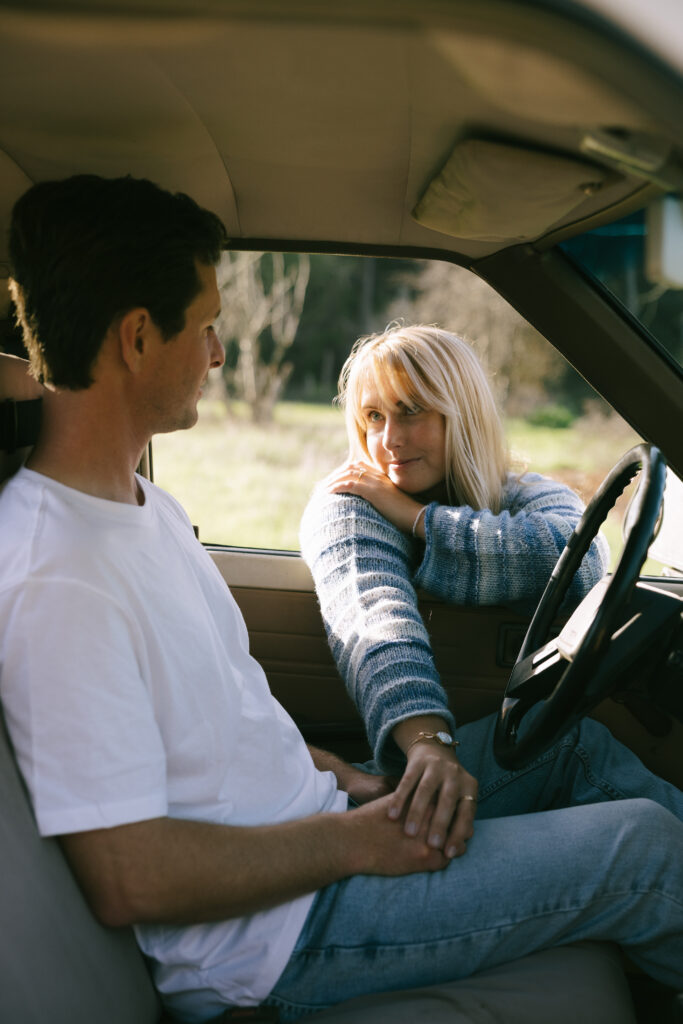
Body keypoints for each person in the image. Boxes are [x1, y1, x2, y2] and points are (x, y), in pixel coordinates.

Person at [0, 177, 681, 1024]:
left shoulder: (146, 509)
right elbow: (129, 878)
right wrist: (353, 840)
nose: (219, 354)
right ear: (138, 338)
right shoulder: (54, 572)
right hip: (275, 939)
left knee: (569, 748)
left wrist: (350, 781)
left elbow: (226, 730)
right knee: (641, 852)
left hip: (316, 841)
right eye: (206, 326)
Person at [299, 324, 610, 853]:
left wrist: (420, 520)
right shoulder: (350, 503)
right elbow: (374, 620)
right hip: (398, 774)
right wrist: (428, 744)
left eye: (411, 410)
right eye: (373, 416)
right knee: (579, 747)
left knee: (581, 744)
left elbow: (578, 559)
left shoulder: (522, 491)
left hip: (484, 746)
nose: (388, 440)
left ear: (462, 413)